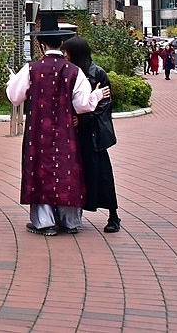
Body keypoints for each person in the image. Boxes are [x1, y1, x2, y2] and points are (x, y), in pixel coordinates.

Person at [6, 14, 111, 236]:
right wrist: (97, 95)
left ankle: (45, 222)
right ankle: (70, 221)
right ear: (61, 43)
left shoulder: (31, 69)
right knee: (66, 169)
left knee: (40, 169)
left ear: (41, 44)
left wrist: (11, 81)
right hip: (66, 131)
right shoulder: (74, 71)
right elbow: (83, 105)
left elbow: (15, 97)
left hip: (38, 131)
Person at [61, 36, 121, 233]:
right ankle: (71, 217)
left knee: (102, 173)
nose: (64, 55)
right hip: (74, 132)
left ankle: (113, 216)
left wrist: (82, 118)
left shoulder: (97, 73)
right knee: (76, 174)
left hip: (94, 134)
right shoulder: (69, 73)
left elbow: (104, 103)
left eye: (67, 52)